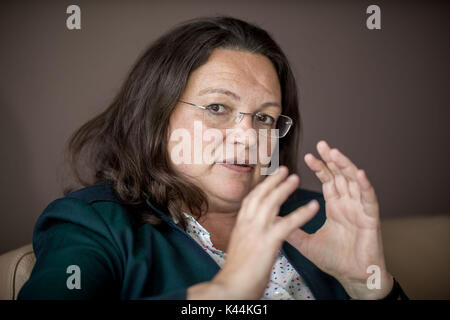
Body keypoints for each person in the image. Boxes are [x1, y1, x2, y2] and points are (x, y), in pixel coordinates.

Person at [18, 15, 407, 300]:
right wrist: (222, 293)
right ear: (158, 116)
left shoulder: (318, 216)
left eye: (264, 117)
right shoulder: (91, 224)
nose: (247, 136)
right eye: (218, 107)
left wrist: (368, 287)